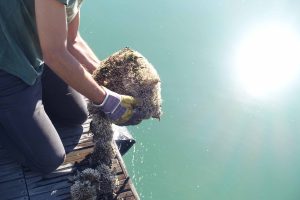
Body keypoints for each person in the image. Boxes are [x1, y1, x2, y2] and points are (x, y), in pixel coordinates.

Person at [0, 0, 141, 174]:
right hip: (7, 63)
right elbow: (55, 54)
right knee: (48, 160)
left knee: (76, 115)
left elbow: (71, 40)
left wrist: (106, 77)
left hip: (31, 50)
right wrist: (106, 100)